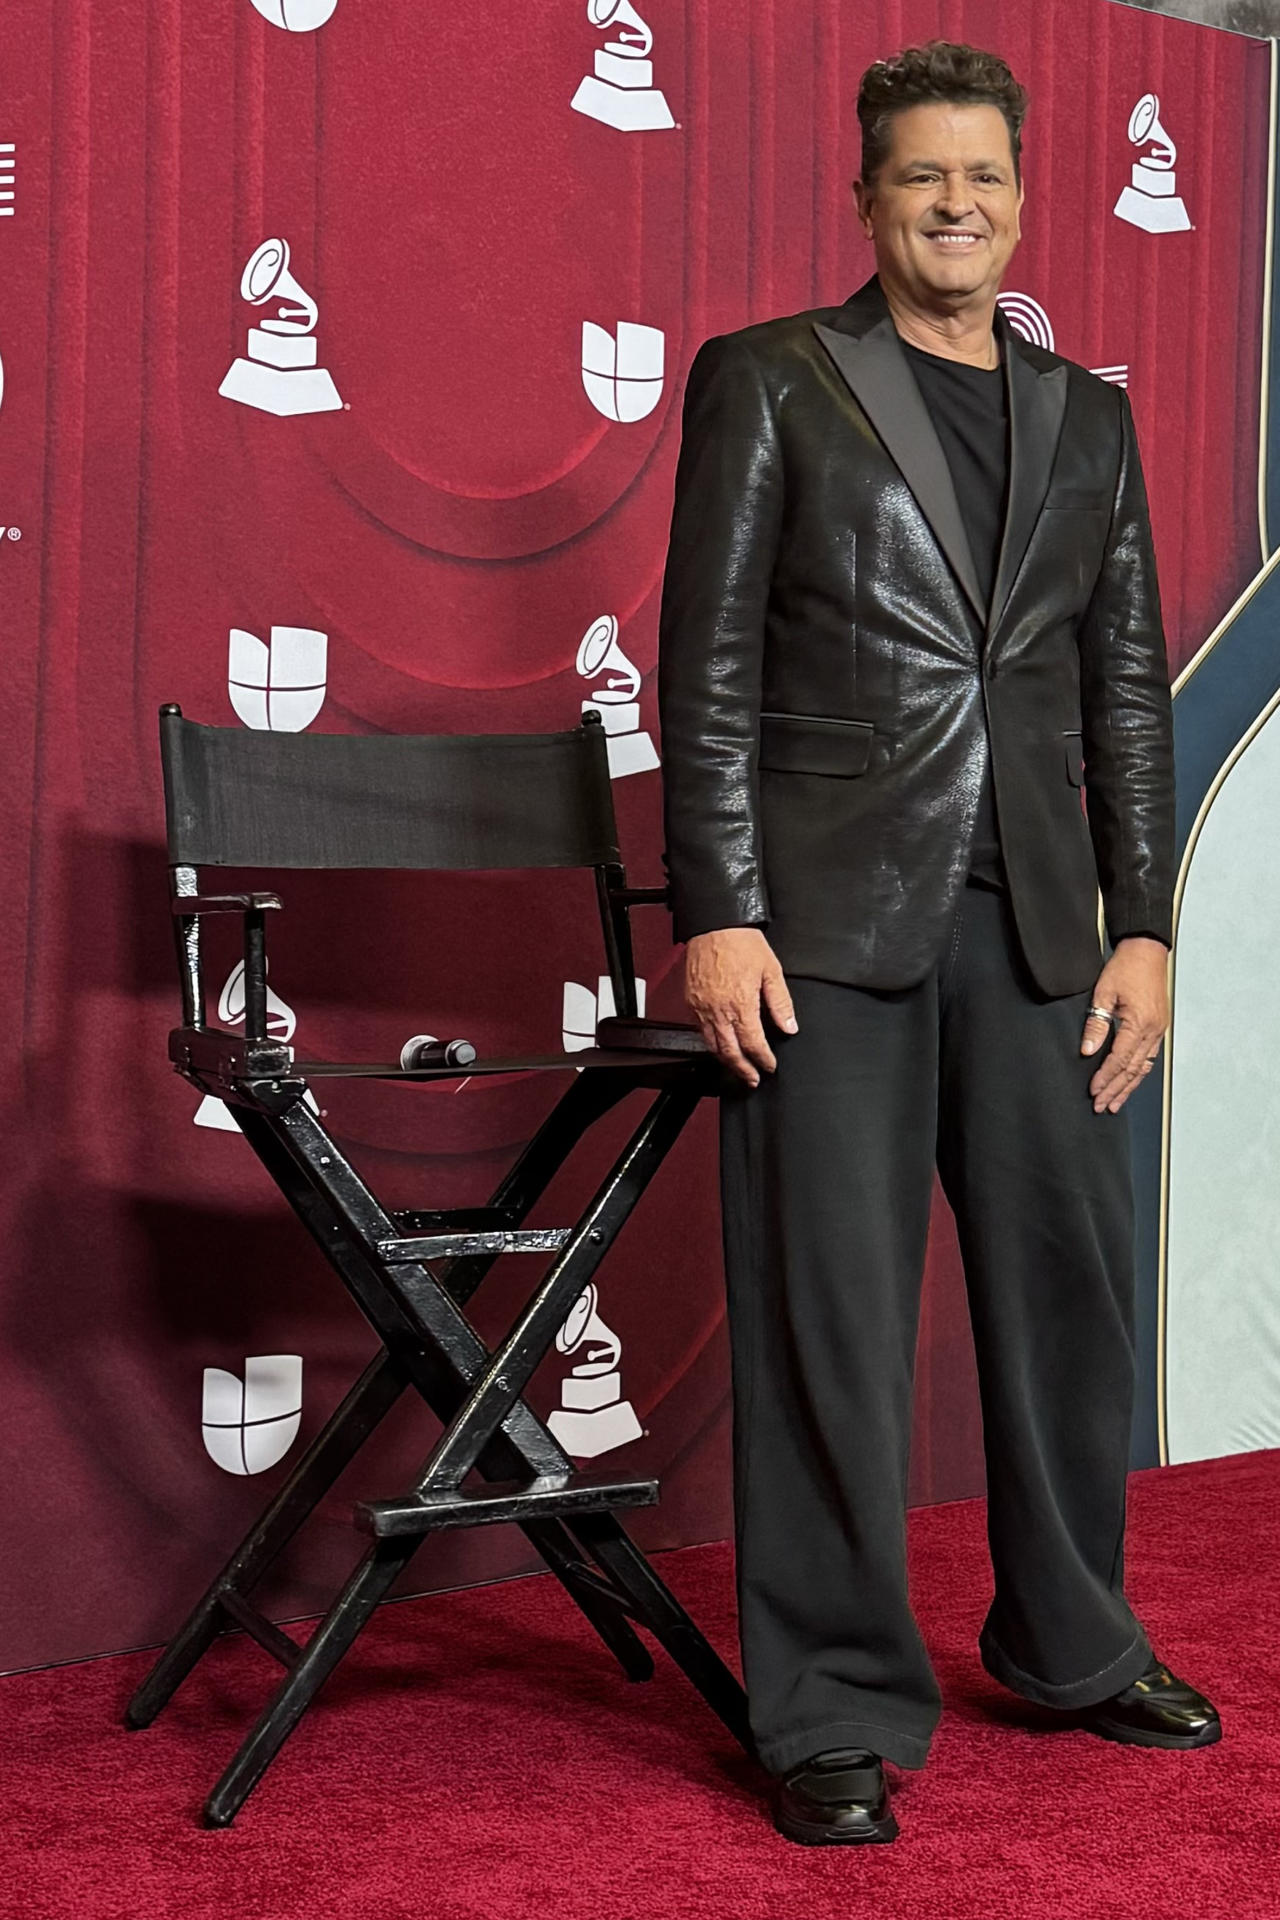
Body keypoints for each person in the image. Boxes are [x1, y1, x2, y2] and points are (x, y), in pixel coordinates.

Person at [656, 40, 1220, 1847]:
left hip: (1046, 932)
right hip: (827, 930)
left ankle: (1074, 1644)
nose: (956, 204)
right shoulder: (772, 383)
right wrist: (722, 913)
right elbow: (709, 672)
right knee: (830, 1321)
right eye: (921, 178)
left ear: (1022, 195)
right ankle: (825, 1704)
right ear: (868, 197)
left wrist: (1145, 929)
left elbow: (1125, 695)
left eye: (983, 176)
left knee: (1068, 1308)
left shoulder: (1092, 420)